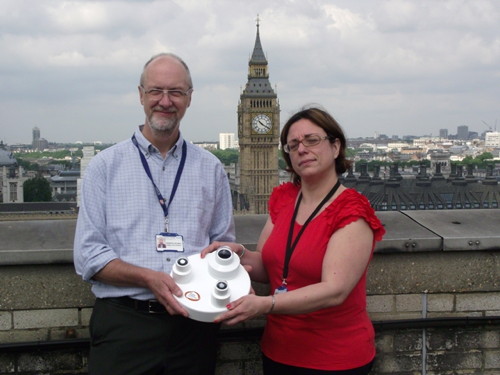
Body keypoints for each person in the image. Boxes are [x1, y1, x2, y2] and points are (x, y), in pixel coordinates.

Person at [74, 53, 235, 375]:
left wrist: (231, 264)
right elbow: (89, 255)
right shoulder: (104, 166)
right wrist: (149, 278)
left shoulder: (210, 167)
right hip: (125, 323)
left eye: (176, 92)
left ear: (189, 98)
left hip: (193, 324)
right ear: (141, 95)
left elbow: (222, 244)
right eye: (156, 91)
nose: (165, 101)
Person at [202, 106, 385, 375]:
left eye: (312, 140)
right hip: (279, 351)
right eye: (293, 144)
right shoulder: (285, 198)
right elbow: (268, 267)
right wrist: (237, 253)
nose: (302, 149)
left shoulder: (352, 212)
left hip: (333, 359)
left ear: (335, 147)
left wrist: (266, 305)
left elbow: (335, 291)